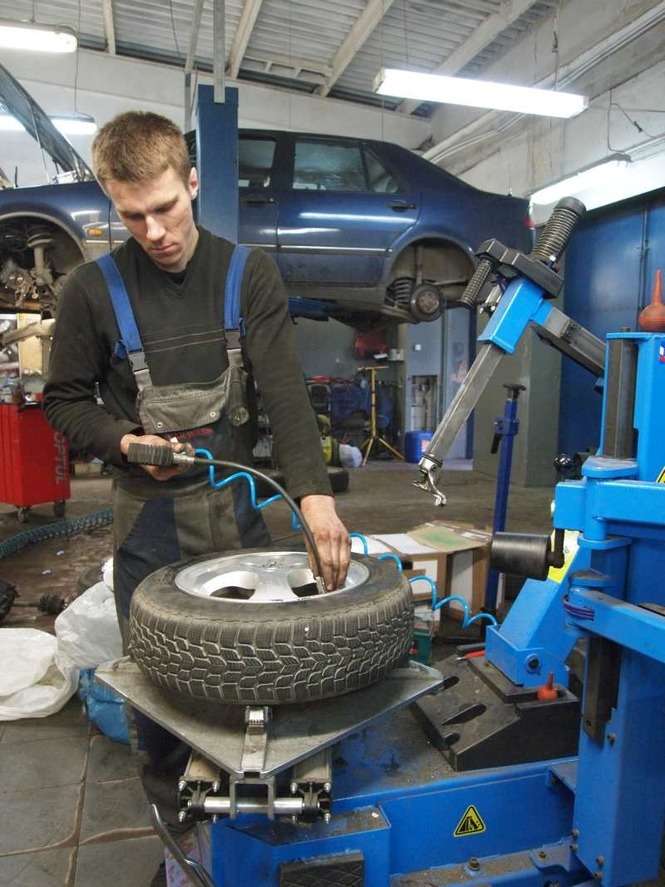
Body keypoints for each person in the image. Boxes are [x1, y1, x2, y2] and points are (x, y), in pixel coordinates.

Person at [43, 110, 350, 864]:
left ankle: (266, 819)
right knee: (161, 689)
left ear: (191, 182)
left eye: (165, 208)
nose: (154, 232)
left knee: (263, 663)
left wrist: (314, 500)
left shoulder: (247, 274)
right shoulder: (90, 290)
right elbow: (65, 401)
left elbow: (285, 395)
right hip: (147, 521)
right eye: (131, 216)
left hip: (238, 511)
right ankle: (179, 836)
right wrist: (123, 442)